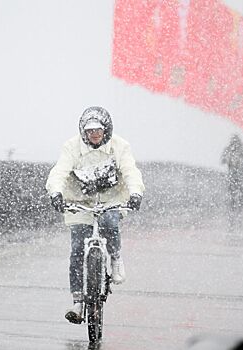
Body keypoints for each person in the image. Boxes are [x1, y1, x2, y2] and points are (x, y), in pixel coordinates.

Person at [45, 106, 145, 324]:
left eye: (98, 130)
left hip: (112, 198)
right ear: (83, 131)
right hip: (80, 201)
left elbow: (130, 171)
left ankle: (116, 258)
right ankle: (78, 303)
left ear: (106, 129)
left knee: (109, 221)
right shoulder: (71, 147)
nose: (94, 135)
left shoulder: (119, 146)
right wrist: (56, 193)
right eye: (89, 131)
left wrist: (136, 192)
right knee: (78, 248)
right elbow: (58, 172)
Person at [220, 134, 243, 230]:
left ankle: (237, 208)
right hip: (234, 174)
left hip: (238, 174)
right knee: (234, 192)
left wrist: (239, 159)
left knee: (238, 192)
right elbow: (223, 160)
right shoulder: (231, 149)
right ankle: (235, 207)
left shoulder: (241, 149)